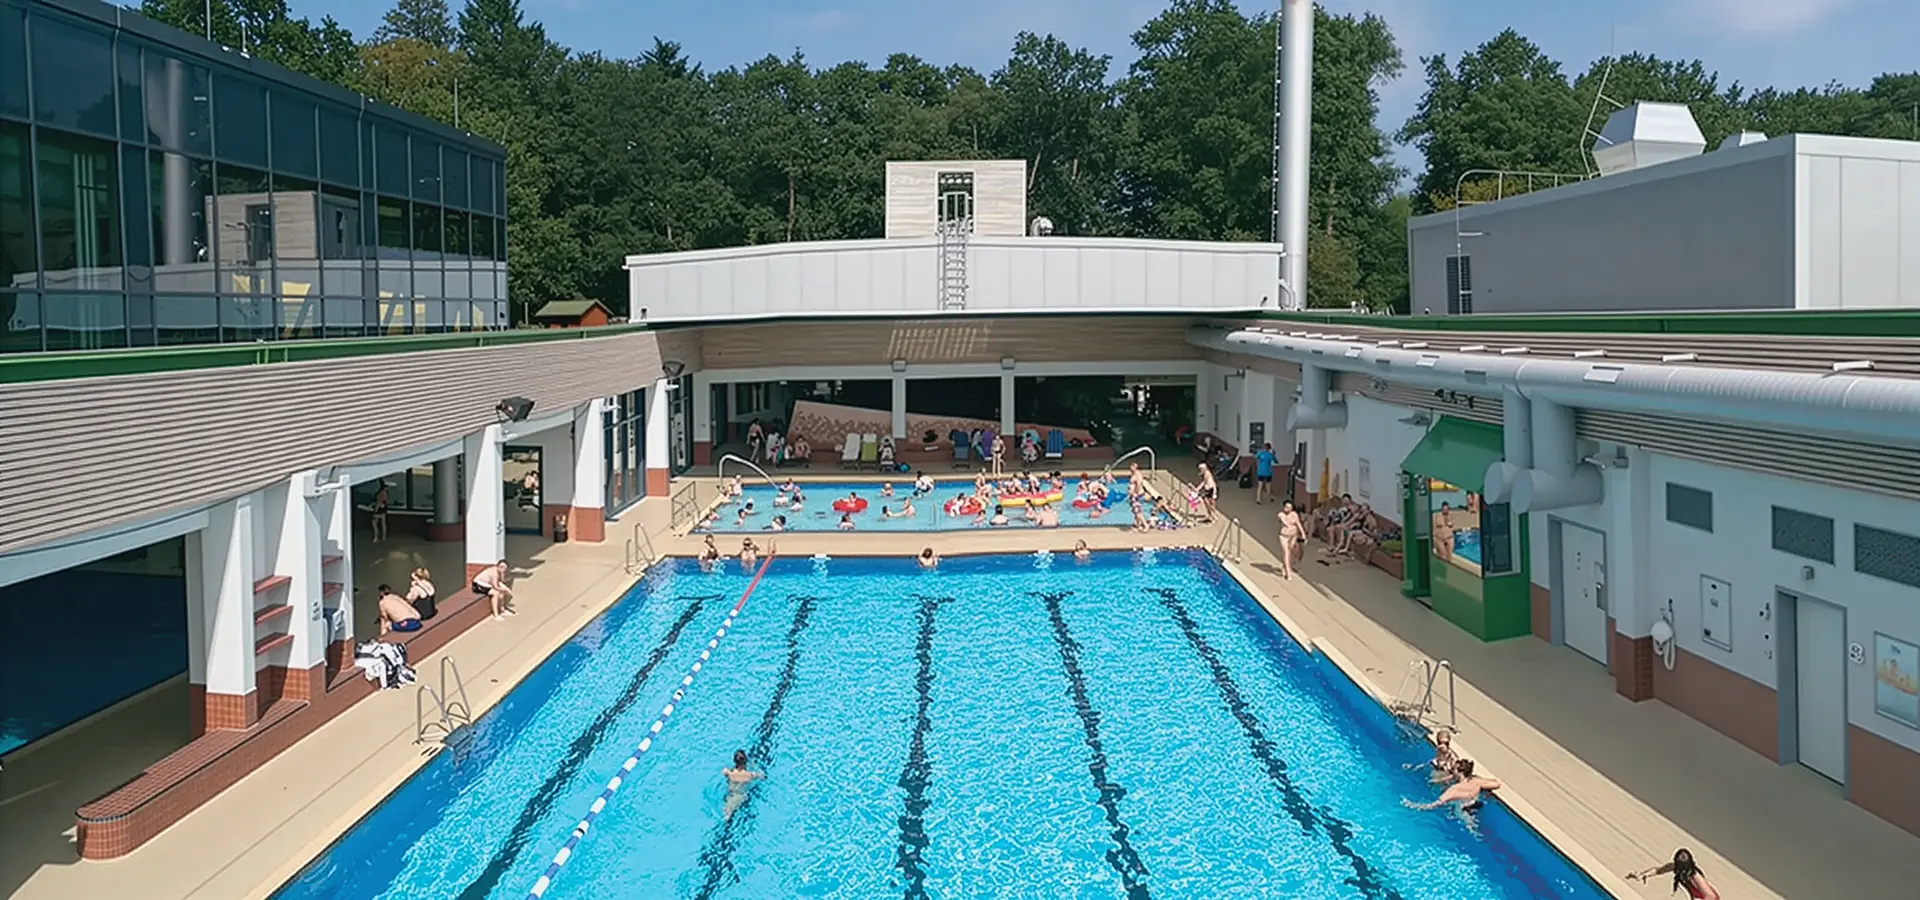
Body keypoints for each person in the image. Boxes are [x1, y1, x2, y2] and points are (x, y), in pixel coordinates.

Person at [1404, 758, 1501, 814]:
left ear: (1459, 773)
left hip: (1463, 812)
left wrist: (1413, 805)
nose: (1451, 770)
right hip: (1477, 804)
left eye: (1454, 769)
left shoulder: (1454, 790)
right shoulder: (1476, 782)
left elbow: (1434, 805)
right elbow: (1496, 784)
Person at [1626, 849, 1720, 900]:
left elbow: (1711, 896)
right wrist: (1643, 875)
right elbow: (1658, 870)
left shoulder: (1695, 875)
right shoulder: (1677, 867)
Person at [723, 749, 763, 819]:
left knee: (727, 814)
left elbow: (724, 771)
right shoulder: (748, 775)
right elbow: (762, 776)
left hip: (730, 795)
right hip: (740, 797)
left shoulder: (729, 773)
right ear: (745, 762)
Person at [1276, 502, 1304, 580]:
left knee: (1292, 552)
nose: (1286, 508)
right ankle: (1288, 573)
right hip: (1283, 536)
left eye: (1288, 507)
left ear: (1291, 508)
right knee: (1286, 553)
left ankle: (1284, 565)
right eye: (1285, 506)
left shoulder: (1294, 514)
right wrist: (1288, 525)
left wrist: (1302, 533)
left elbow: (1298, 524)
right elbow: (1283, 521)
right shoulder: (1281, 514)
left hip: (1293, 536)